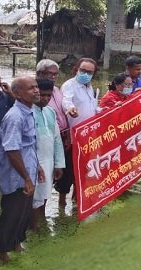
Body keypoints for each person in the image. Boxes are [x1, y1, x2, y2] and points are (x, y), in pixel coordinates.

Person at [0, 76, 42, 263]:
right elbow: (12, 149)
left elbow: (28, 146)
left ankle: (16, 242)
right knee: (12, 213)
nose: (36, 90)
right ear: (18, 94)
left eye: (36, 87)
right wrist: (27, 179)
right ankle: (3, 251)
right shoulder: (15, 116)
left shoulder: (30, 111)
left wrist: (36, 168)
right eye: (31, 88)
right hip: (16, 177)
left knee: (24, 212)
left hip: (28, 170)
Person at [58, 57, 99, 206]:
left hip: (88, 138)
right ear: (76, 69)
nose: (86, 74)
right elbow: (66, 101)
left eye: (90, 72)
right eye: (83, 71)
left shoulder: (89, 87)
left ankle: (77, 197)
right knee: (68, 170)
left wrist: (105, 110)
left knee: (82, 169)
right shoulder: (69, 85)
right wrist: (70, 108)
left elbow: (92, 109)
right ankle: (62, 201)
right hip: (72, 137)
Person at [30, 79, 65, 231]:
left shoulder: (50, 112)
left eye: (48, 96)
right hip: (34, 163)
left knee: (45, 194)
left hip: (49, 161)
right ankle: (33, 225)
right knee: (34, 198)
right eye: (42, 95)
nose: (45, 99)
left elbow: (57, 140)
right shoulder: (28, 112)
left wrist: (59, 164)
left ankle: (41, 220)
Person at [36, 59, 71, 207]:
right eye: (50, 74)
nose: (53, 77)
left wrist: (68, 135)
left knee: (53, 174)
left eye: (56, 74)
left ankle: (50, 206)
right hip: (42, 142)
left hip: (60, 136)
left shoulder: (57, 90)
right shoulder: (33, 91)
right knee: (39, 183)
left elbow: (64, 112)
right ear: (39, 73)